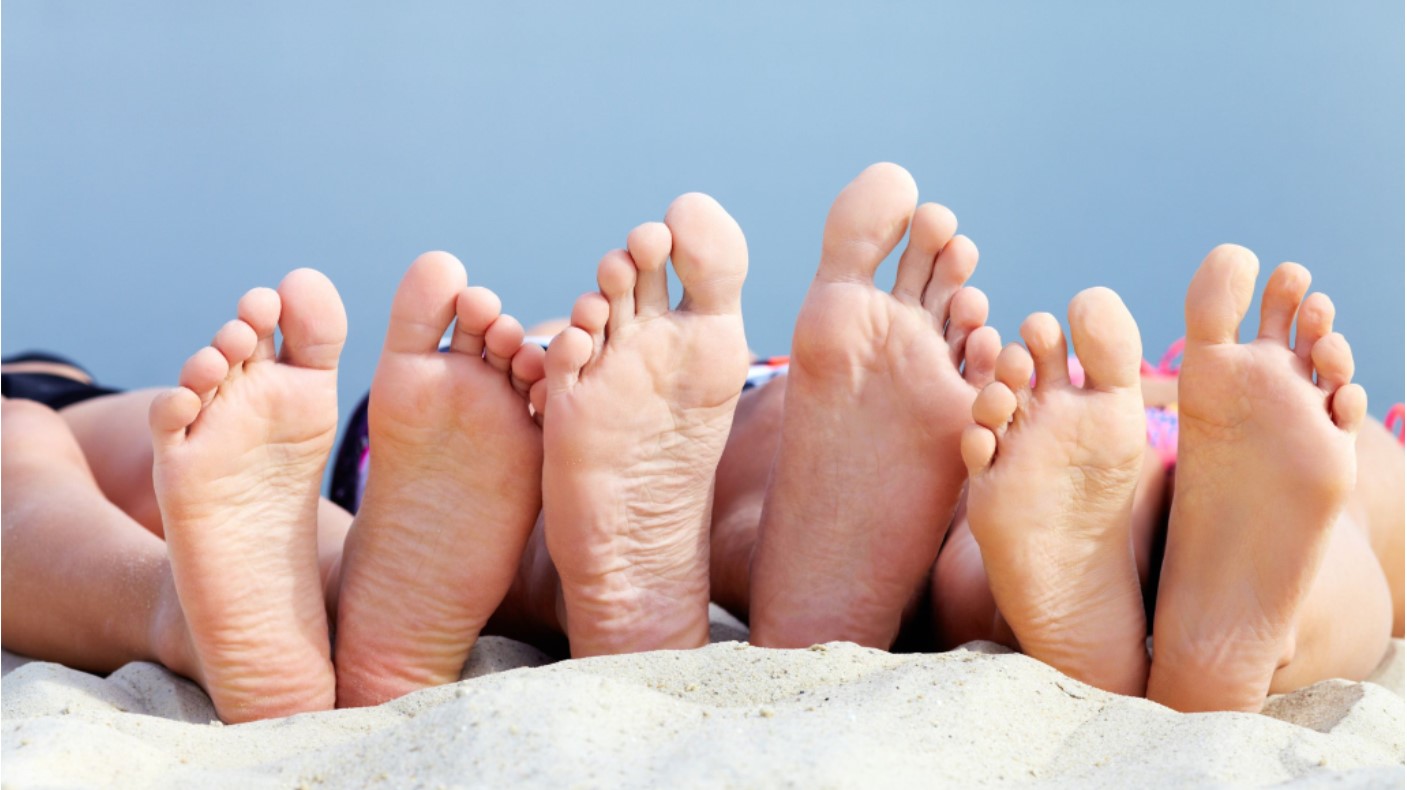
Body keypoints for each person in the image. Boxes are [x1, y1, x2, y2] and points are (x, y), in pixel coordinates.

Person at [2, 165, 1400, 724]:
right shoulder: (1138, 408)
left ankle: (212, 600)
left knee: (38, 446)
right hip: (1078, 449)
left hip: (622, 429)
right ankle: (1221, 630)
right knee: (1354, 531)